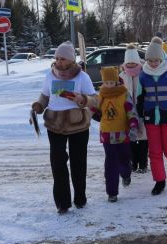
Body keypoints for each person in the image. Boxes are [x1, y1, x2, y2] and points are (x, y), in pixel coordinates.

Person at [31, 42, 98, 214]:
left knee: (78, 163)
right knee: (58, 163)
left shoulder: (82, 77)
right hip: (55, 125)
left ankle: (80, 198)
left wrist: (82, 99)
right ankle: (62, 202)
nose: (58, 62)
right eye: (57, 58)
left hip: (78, 125)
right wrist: (39, 105)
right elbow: (45, 95)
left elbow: (94, 99)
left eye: (62, 59)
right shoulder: (50, 75)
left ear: (71, 59)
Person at [136, 39, 167, 195]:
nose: (153, 63)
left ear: (162, 59)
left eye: (156, 60)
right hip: (151, 118)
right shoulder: (143, 76)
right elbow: (139, 99)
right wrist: (140, 119)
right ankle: (159, 181)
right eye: (150, 60)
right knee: (154, 152)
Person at [94, 66, 138, 202]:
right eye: (106, 83)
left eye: (111, 83)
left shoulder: (123, 94)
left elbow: (131, 110)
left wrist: (133, 124)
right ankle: (112, 192)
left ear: (116, 82)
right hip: (107, 134)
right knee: (111, 163)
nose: (109, 85)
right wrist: (90, 111)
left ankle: (126, 174)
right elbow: (95, 111)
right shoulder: (101, 95)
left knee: (124, 159)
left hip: (122, 134)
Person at [120, 45, 147, 173]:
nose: (130, 64)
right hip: (127, 112)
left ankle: (143, 164)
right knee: (130, 138)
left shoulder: (143, 74)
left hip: (142, 110)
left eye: (133, 62)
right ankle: (133, 162)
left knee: (142, 138)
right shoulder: (122, 75)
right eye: (128, 62)